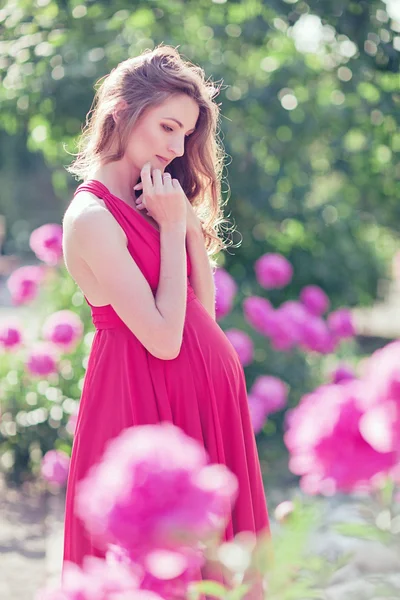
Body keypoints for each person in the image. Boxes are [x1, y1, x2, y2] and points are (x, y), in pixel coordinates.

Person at [62, 44, 269, 572]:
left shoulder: (154, 196)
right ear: (122, 114)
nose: (177, 148)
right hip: (140, 400)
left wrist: (180, 224)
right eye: (167, 128)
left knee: (215, 569)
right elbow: (162, 337)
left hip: (204, 399)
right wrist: (173, 228)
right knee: (155, 567)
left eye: (186, 134)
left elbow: (202, 307)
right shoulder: (91, 217)